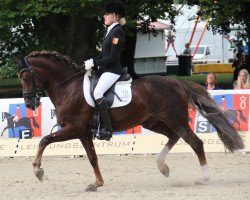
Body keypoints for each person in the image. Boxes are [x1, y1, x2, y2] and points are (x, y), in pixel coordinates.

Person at [84, 0, 126, 141]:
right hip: (105, 69)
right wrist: (92, 61)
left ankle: (107, 129)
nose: (104, 16)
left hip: (113, 70)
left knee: (98, 92)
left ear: (115, 16)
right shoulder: (109, 31)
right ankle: (95, 122)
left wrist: (95, 63)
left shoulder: (117, 31)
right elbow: (104, 55)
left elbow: (113, 58)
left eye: (107, 14)